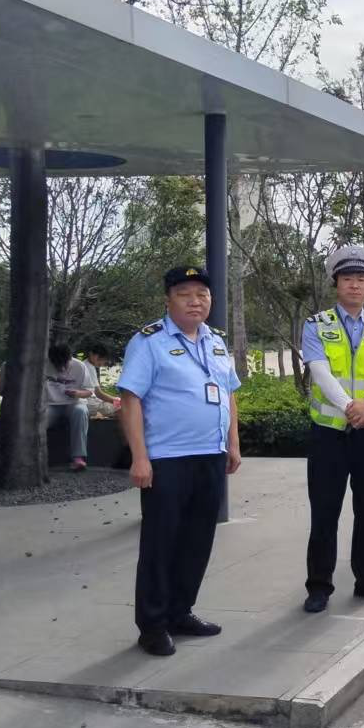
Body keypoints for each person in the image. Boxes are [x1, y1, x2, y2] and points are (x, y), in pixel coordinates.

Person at [118, 266, 242, 656]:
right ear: (168, 299)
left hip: (210, 455)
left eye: (202, 294)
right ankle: (152, 625)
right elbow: (130, 400)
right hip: (167, 459)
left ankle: (180, 611)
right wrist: (140, 457)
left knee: (197, 540)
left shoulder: (216, 342)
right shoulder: (148, 342)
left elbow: (228, 393)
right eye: (185, 293)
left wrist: (233, 443)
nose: (195, 301)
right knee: (161, 543)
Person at [301, 245, 364, 612]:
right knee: (325, 511)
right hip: (329, 432)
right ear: (336, 283)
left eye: (361, 279)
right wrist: (349, 406)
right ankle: (319, 586)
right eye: (348, 279)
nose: (355, 285)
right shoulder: (317, 324)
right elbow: (319, 371)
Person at [43, 342, 94, 473]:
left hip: (74, 403)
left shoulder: (80, 366)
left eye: (64, 364)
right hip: (50, 404)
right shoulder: (44, 365)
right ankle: (39, 457)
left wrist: (78, 393)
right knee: (40, 417)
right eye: (57, 365)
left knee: (80, 411)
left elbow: (89, 391)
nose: (61, 368)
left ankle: (78, 457)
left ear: (70, 358)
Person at [74, 343, 121, 418]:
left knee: (117, 402)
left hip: (90, 401)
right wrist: (115, 401)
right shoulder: (88, 367)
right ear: (91, 354)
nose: (99, 360)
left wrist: (114, 400)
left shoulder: (86, 364)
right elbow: (98, 393)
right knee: (122, 406)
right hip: (89, 403)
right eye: (97, 357)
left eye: (102, 359)